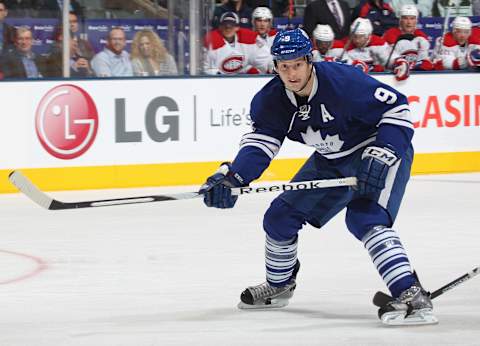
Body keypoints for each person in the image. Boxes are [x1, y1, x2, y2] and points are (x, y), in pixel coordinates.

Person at [199, 28, 437, 326]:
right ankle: (279, 285)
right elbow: (261, 145)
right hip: (331, 161)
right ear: (275, 66)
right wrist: (233, 178)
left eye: (297, 64)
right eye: (283, 66)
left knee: (365, 218)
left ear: (309, 60)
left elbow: (398, 108)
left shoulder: (343, 81)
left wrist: (384, 152)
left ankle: (411, 294)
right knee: (279, 217)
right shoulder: (270, 100)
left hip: (376, 150)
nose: (291, 73)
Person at [345, 18, 410, 80]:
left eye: (361, 37)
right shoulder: (345, 45)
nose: (357, 40)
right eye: (355, 36)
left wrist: (399, 62)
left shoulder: (378, 43)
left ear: (369, 35)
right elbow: (341, 63)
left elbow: (388, 57)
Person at [382, 4, 433, 71]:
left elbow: (423, 60)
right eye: (405, 18)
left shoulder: (421, 36)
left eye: (412, 18)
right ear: (400, 20)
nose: (409, 22)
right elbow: (388, 61)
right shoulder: (390, 34)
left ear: (416, 21)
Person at [251, 6, 276, 73]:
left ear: (270, 23)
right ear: (253, 22)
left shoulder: (274, 39)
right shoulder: (248, 41)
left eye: (265, 21)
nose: (262, 24)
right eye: (259, 20)